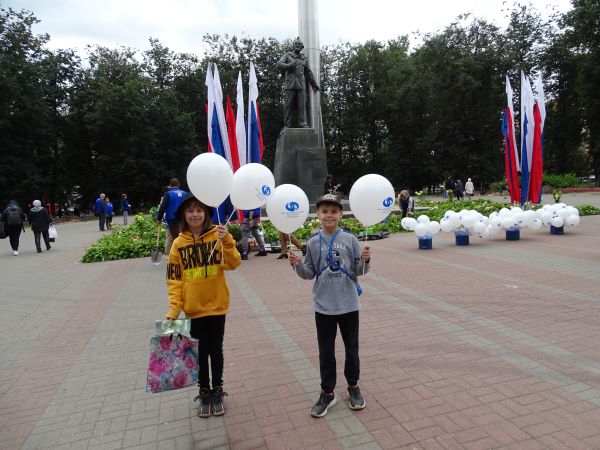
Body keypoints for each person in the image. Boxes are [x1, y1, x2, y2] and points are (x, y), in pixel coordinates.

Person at [289, 193, 371, 418]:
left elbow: (359, 270)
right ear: (318, 214)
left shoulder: (351, 239)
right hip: (323, 306)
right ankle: (327, 392)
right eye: (324, 211)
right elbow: (309, 273)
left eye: (334, 211)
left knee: (351, 349)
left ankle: (353, 386)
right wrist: (297, 265)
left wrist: (365, 260)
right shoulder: (313, 242)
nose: (329, 215)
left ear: (341, 214)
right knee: (326, 352)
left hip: (349, 305)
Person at [165, 192, 241, 417]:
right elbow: (174, 280)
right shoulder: (178, 244)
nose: (195, 214)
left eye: (199, 210)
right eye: (190, 210)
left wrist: (227, 240)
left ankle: (217, 389)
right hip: (194, 309)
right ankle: (204, 391)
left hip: (217, 305)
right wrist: (173, 309)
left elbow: (234, 263)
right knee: (200, 352)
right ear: (183, 215)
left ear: (206, 213)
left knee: (216, 350)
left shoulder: (218, 235)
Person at [276, 37, 320, 128]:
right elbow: (279, 64)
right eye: (295, 44)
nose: (297, 45)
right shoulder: (287, 55)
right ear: (293, 46)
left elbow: (308, 72)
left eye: (299, 44)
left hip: (301, 84)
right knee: (288, 105)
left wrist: (314, 84)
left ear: (302, 47)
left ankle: (302, 123)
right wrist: (289, 65)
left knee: (302, 105)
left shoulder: (303, 58)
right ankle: (287, 125)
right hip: (290, 83)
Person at [156, 178, 187, 254]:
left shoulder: (168, 194)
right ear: (179, 185)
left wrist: (159, 219)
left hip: (172, 219)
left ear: (170, 185)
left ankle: (175, 255)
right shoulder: (185, 194)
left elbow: (163, 207)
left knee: (175, 238)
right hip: (184, 219)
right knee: (184, 236)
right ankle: (183, 253)